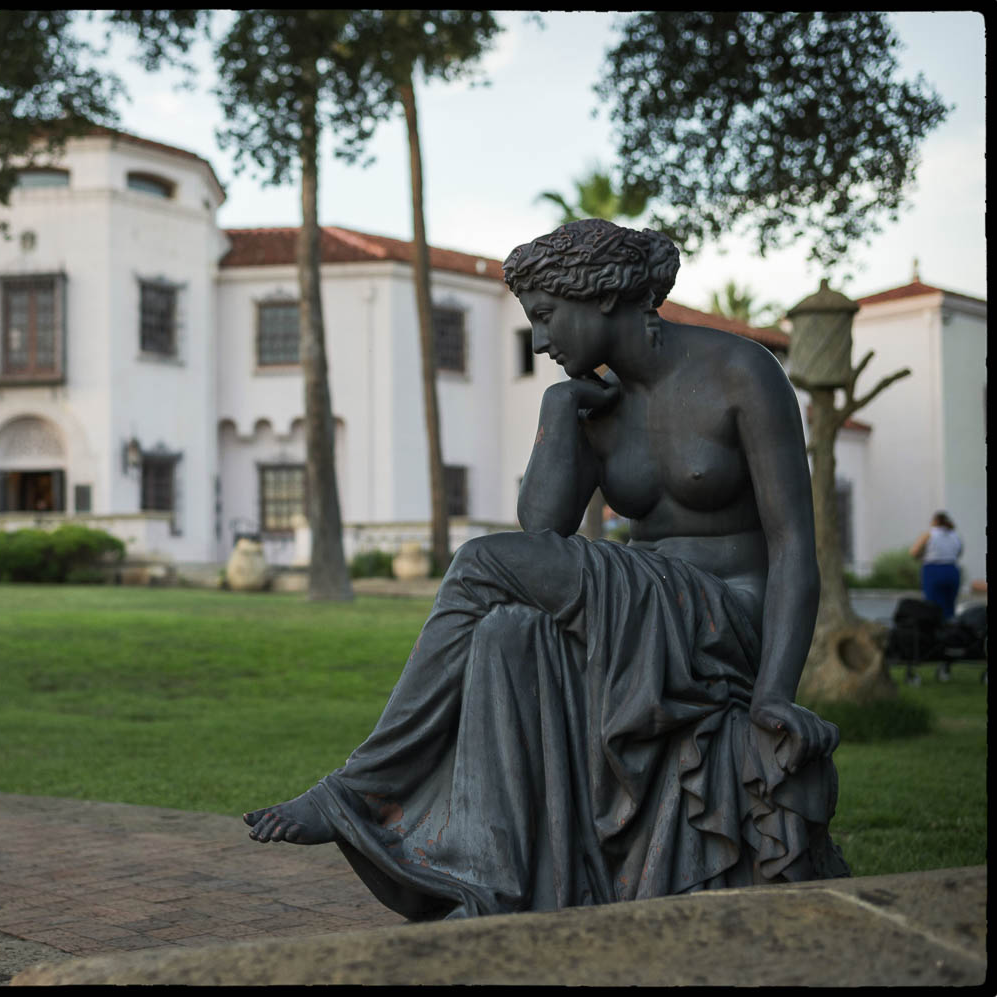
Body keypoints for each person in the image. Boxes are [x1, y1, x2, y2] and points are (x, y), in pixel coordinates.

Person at [244, 219, 848, 921]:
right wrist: (560, 412)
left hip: (725, 617)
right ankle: (492, 882)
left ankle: (359, 786)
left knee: (478, 561)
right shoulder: (594, 403)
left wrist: (774, 690)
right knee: (506, 634)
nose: (538, 340)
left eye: (544, 316)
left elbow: (793, 549)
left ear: (598, 295)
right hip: (640, 613)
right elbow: (542, 531)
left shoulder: (741, 373)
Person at [910, 512, 963, 619]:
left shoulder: (929, 534)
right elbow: (959, 552)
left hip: (933, 570)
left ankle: (935, 632)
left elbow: (914, 552)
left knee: (932, 606)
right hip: (952, 570)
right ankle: (950, 630)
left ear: (935, 521)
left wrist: (923, 556)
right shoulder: (955, 535)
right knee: (949, 605)